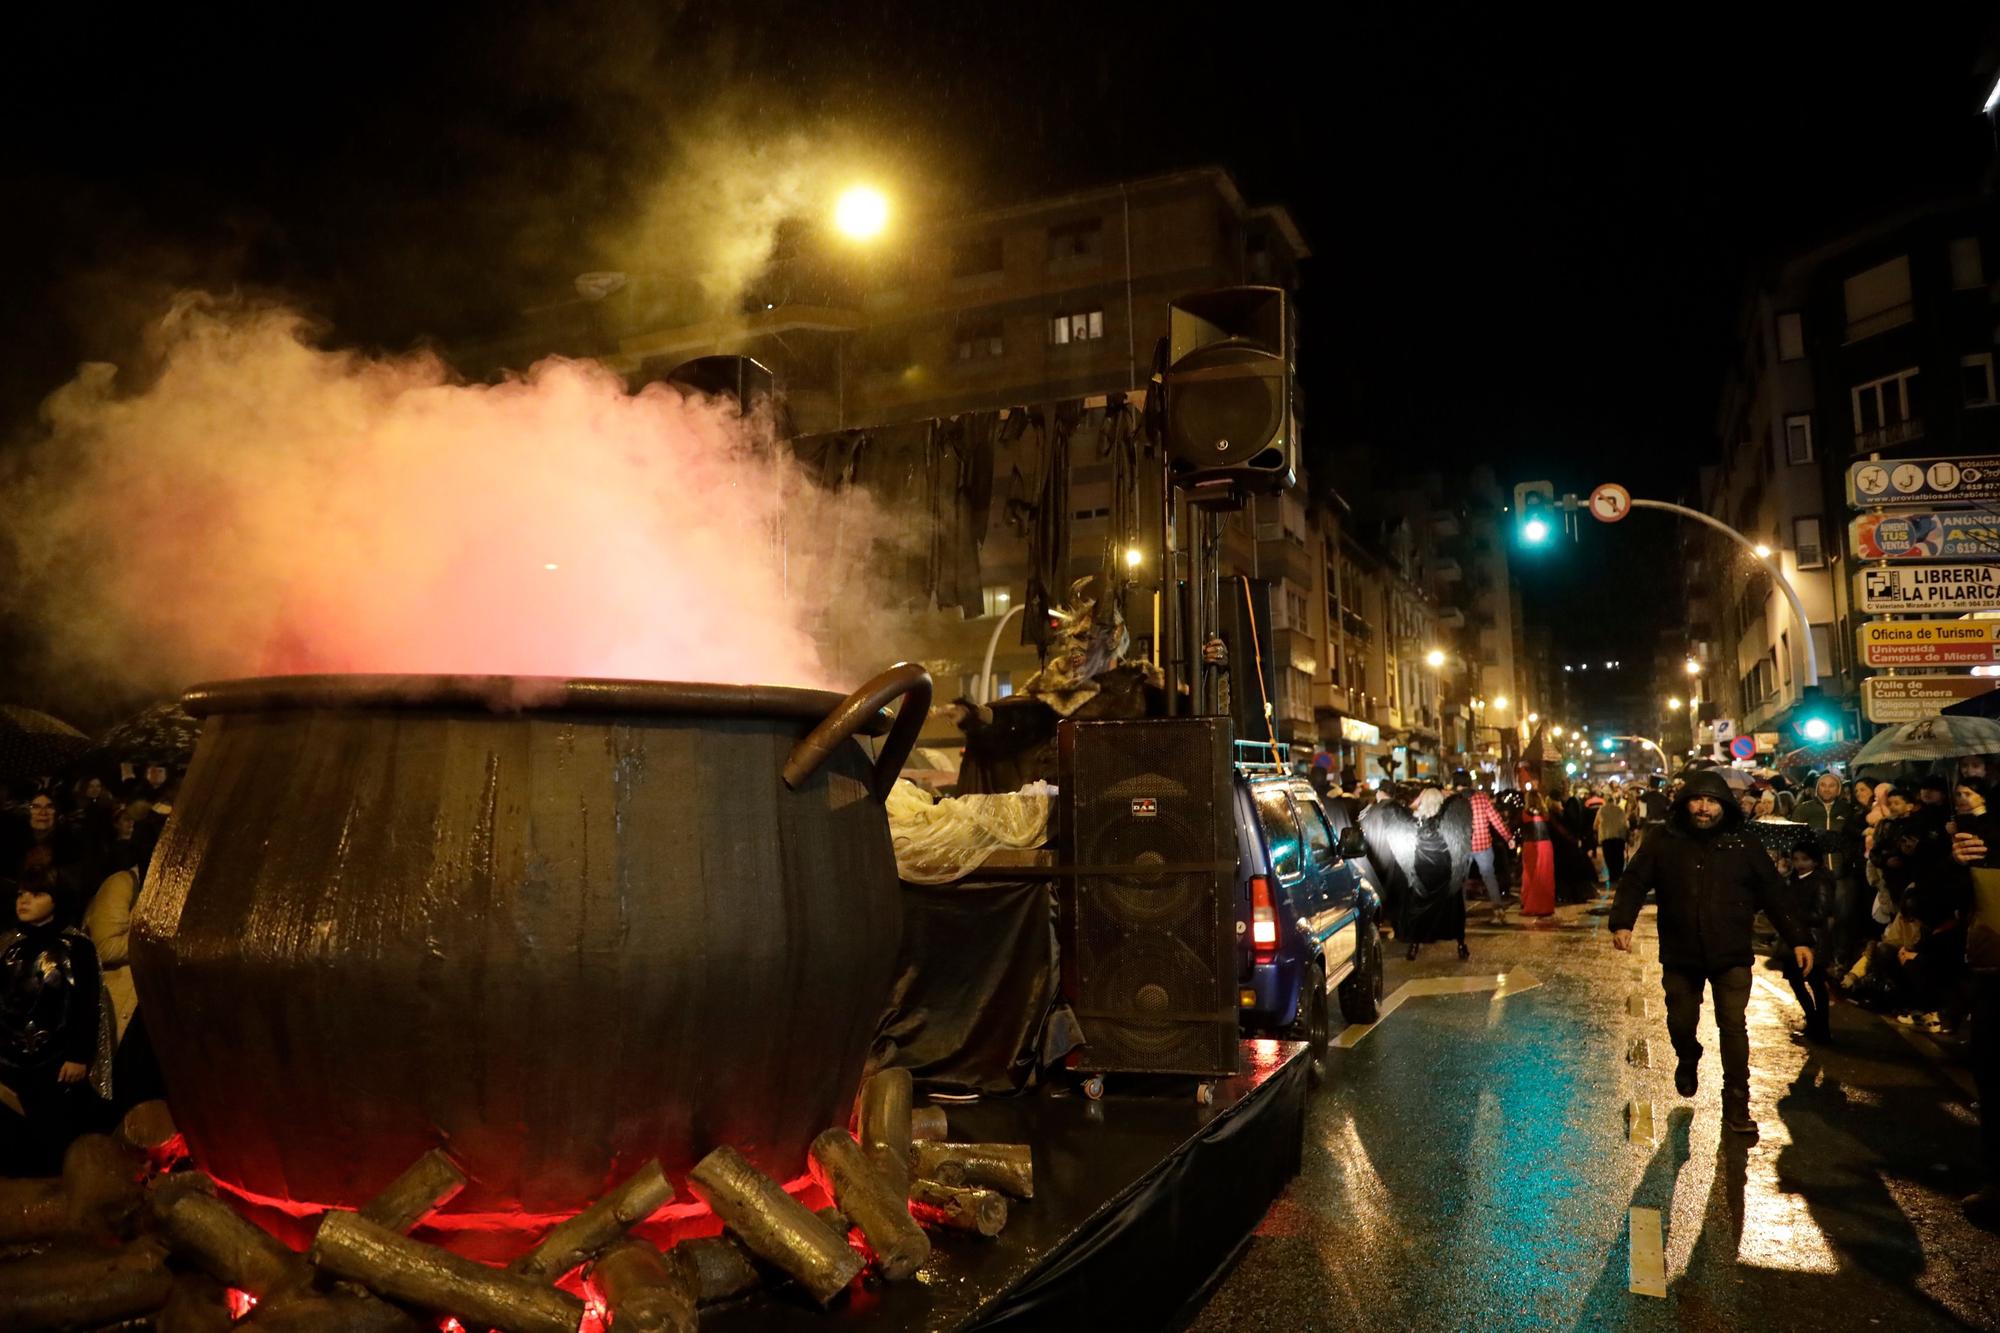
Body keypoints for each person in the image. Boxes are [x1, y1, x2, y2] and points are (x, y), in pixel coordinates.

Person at [1609, 770, 1814, 1134]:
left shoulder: (1744, 843)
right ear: (1685, 803)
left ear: (1724, 806)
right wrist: (1622, 922)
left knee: (1733, 1026)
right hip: (1681, 952)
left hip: (1731, 952)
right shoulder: (1664, 840)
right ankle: (1687, 1056)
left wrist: (1798, 938)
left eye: (1712, 801)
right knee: (1680, 1022)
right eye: (1697, 800)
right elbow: (1635, 881)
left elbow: (1774, 893)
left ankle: (1737, 1103)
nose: (1703, 808)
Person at [0, 869, 109, 1174]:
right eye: (21, 894)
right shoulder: (9, 945)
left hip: (55, 1062)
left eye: (36, 894)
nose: (24, 901)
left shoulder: (77, 947)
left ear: (56, 899)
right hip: (8, 1060)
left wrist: (79, 1054)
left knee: (51, 1138)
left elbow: (87, 1003)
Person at [1401, 787, 1470, 961]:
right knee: (1453, 908)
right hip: (1445, 871)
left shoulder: (1415, 822)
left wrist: (1416, 801)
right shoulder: (1447, 822)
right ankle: (1461, 945)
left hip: (1423, 871)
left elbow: (1402, 813)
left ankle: (1414, 945)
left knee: (1420, 908)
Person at [1783, 843, 1838, 1043]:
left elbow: (1821, 912)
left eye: (1804, 859)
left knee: (1816, 983)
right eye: (1796, 859)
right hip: (1794, 940)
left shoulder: (1821, 881)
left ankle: (1821, 1027)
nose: (1799, 864)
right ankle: (1813, 1020)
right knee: (1795, 981)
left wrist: (1794, 916)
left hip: (1814, 940)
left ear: (1815, 861)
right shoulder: (1791, 880)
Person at [1466, 782, 1515, 911]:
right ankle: (1497, 907)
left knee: (1460, 879)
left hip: (1462, 846)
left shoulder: (1455, 800)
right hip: (1483, 845)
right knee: (1489, 876)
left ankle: (1459, 911)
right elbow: (1496, 819)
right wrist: (1508, 837)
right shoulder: (1481, 798)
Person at [1518, 789, 1556, 917]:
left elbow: (1518, 828)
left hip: (1530, 845)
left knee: (1530, 875)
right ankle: (1545, 905)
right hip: (1545, 845)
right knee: (1545, 876)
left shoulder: (1524, 814)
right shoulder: (1546, 813)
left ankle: (1528, 902)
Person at [1595, 787, 1630, 883]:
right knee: (1619, 857)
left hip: (1606, 837)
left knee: (1609, 858)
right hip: (1619, 837)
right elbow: (1625, 824)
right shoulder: (1620, 809)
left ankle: (1612, 875)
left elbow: (1595, 825)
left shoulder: (1601, 810)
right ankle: (1618, 876)